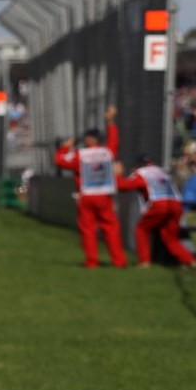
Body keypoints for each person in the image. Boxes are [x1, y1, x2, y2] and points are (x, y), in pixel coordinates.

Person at [54, 105, 127, 268]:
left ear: (88, 139)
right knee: (111, 228)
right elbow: (114, 141)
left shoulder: (80, 155)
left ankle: (91, 261)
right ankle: (119, 261)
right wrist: (110, 122)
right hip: (104, 194)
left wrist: (66, 146)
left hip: (86, 195)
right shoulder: (107, 152)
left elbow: (59, 160)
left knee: (88, 229)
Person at [116, 155, 196, 270]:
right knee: (170, 237)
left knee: (141, 230)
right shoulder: (161, 172)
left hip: (159, 204)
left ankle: (144, 262)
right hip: (176, 204)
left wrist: (117, 174)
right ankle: (190, 260)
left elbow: (123, 186)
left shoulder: (141, 173)